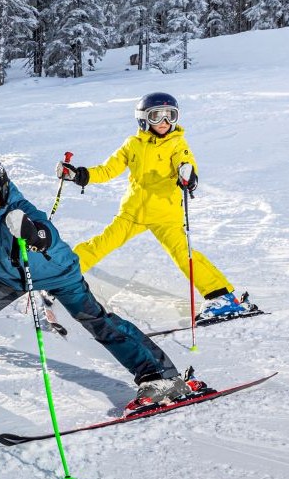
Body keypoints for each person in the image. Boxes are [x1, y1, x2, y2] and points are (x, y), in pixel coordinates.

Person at [0, 154, 202, 413]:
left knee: (97, 321)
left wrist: (30, 233)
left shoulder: (21, 211)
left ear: (2, 187)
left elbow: (44, 234)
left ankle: (160, 376)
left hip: (59, 273)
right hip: (11, 278)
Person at [57, 92, 248, 318]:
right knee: (101, 244)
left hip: (165, 214)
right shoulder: (132, 144)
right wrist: (80, 175)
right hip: (133, 212)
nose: (164, 122)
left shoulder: (177, 144)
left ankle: (222, 297)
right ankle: (59, 276)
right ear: (143, 118)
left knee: (184, 254)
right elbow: (108, 169)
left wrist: (188, 176)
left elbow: (186, 163)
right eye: (157, 116)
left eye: (170, 116)